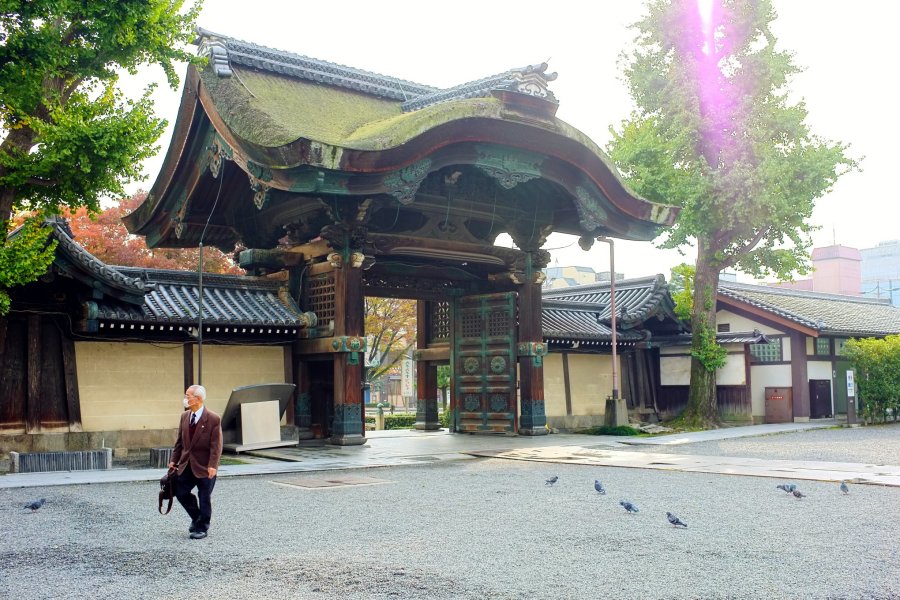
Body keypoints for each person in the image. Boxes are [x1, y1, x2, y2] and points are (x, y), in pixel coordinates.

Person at [168, 384, 223, 540]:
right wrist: (174, 460)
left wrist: (213, 465)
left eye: (188, 396)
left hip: (205, 466)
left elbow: (216, 445)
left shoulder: (213, 418)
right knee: (180, 492)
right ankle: (197, 516)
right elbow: (179, 442)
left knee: (204, 496)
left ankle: (202, 527)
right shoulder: (184, 416)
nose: (185, 399)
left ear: (198, 398)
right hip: (186, 464)